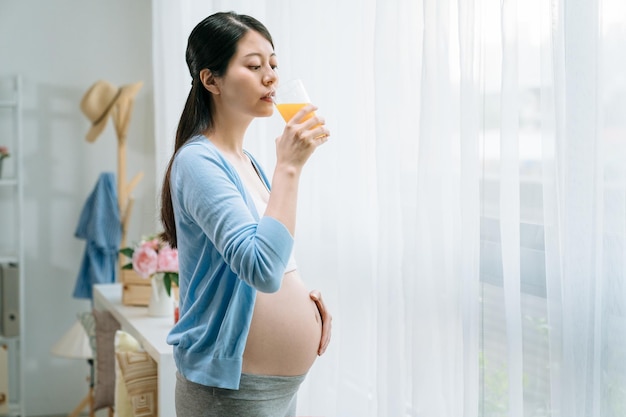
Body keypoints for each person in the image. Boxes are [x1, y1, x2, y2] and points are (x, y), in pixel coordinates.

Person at [159, 11, 332, 417]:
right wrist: (289, 167)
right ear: (211, 80)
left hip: (268, 387)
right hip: (232, 392)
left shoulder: (247, 162)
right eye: (254, 66)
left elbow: (275, 257)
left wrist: (305, 297)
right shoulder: (198, 162)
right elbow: (261, 270)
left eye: (273, 64)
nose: (270, 76)